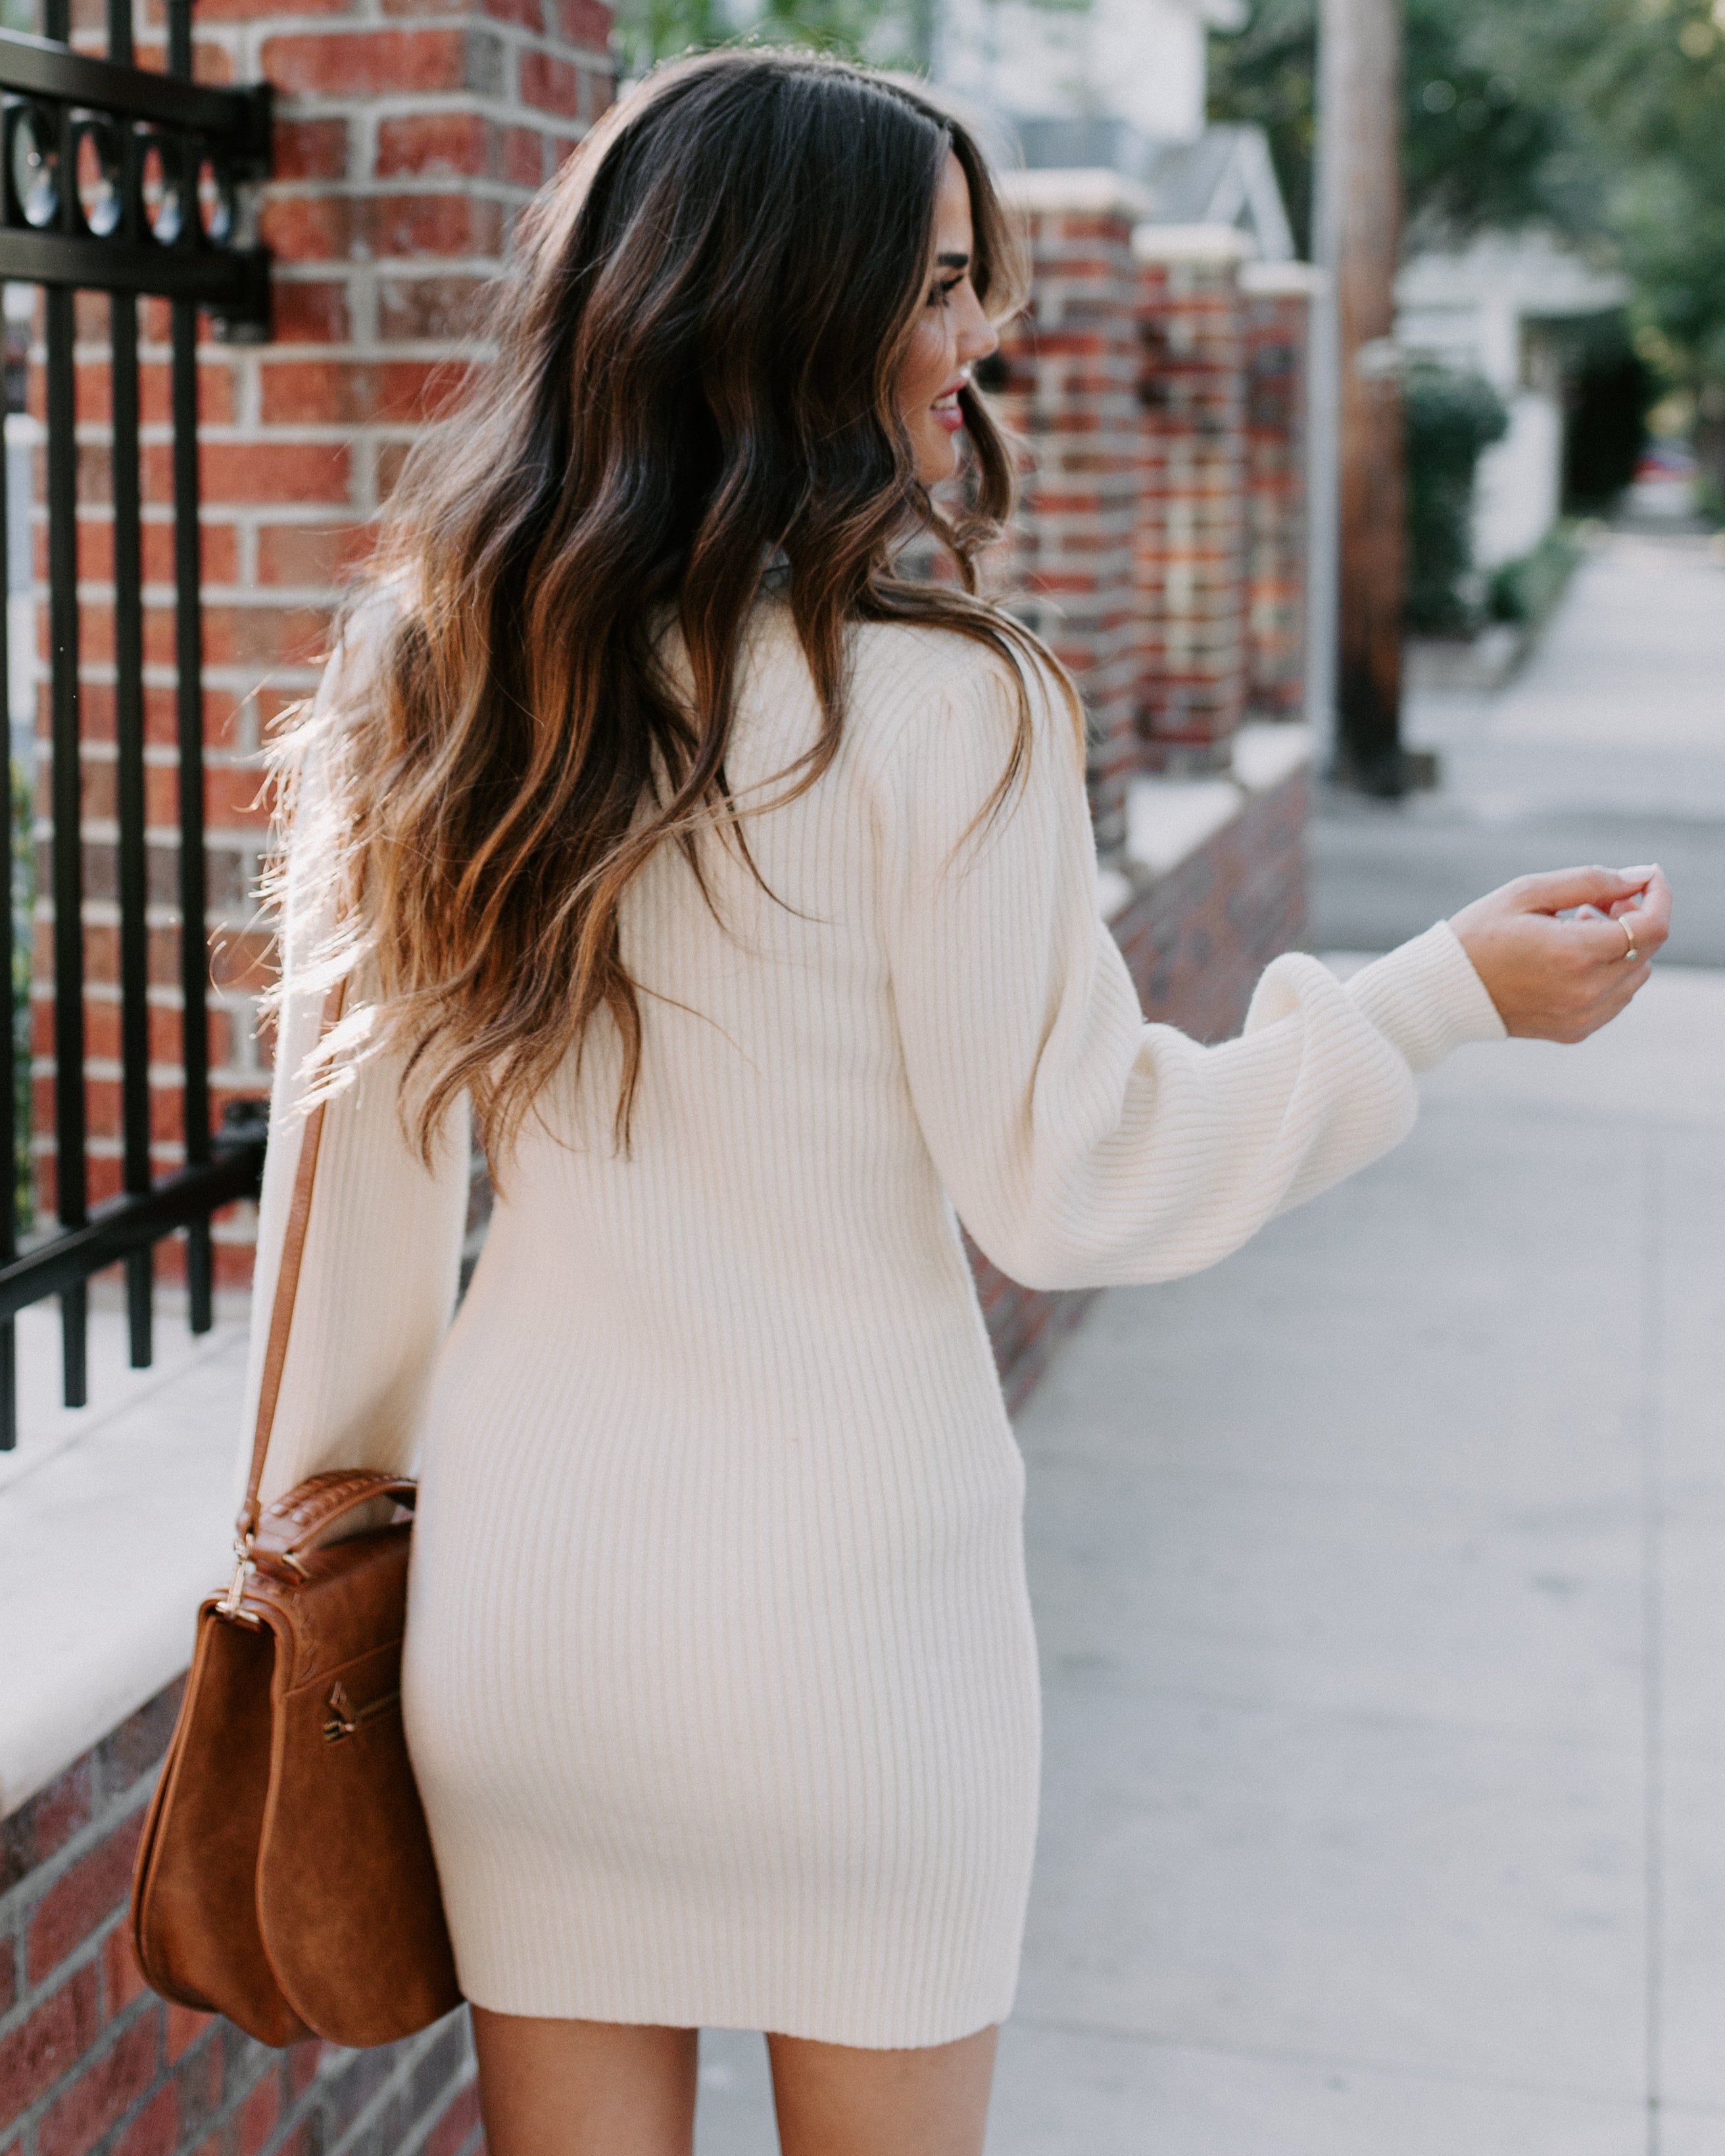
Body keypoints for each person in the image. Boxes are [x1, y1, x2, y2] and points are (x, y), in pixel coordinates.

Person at [243, 47, 1672, 2156]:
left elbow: (339, 1214)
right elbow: (1081, 1183)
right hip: (855, 1633)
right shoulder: (950, 703)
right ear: (785, 304)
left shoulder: (433, 679)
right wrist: (1432, 999)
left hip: (531, 1625)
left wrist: (294, 1546)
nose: (981, 332)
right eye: (932, 281)